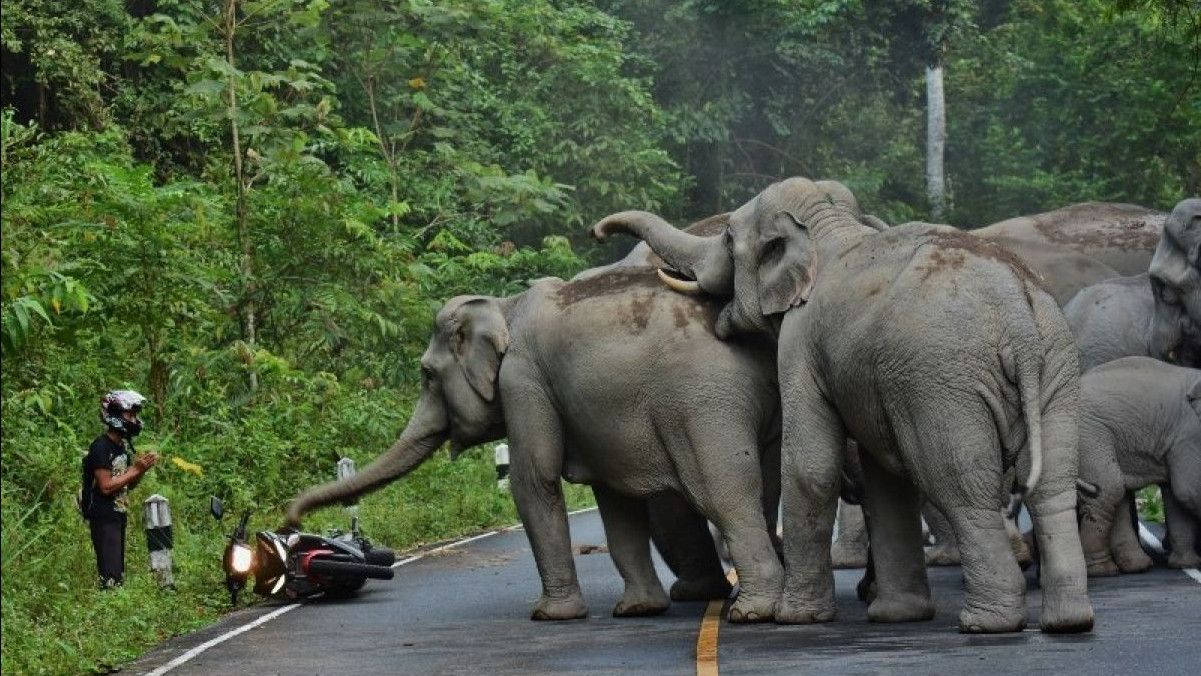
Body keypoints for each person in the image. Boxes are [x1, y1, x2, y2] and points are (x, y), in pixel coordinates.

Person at [81, 390, 158, 587]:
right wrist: (135, 469)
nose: (134, 419)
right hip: (104, 515)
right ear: (115, 414)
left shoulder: (121, 447)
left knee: (117, 575)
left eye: (135, 415)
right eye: (130, 414)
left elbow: (128, 483)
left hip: (118, 514)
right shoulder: (100, 447)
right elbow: (106, 487)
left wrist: (140, 471)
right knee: (111, 577)